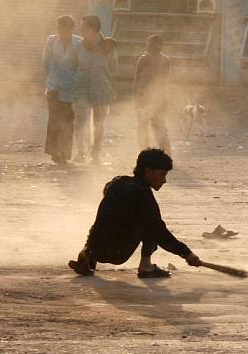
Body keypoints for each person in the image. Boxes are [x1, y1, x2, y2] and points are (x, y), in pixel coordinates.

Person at [68, 148, 202, 278]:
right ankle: (146, 266)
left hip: (94, 247)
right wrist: (186, 254)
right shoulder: (143, 195)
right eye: (162, 174)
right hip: (117, 253)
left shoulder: (117, 182)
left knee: (110, 216)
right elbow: (160, 233)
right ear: (148, 171)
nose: (164, 180)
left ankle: (87, 254)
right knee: (151, 223)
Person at [72, 15, 118, 164]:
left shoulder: (108, 47)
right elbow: (72, 67)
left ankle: (95, 154)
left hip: (102, 90)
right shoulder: (78, 46)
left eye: (83, 27)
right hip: (81, 90)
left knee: (99, 124)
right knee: (80, 121)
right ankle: (80, 152)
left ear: (93, 30)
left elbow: (114, 68)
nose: (81, 30)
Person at [42, 15, 82, 164]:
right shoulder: (51, 41)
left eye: (65, 29)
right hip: (54, 87)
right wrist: (54, 77)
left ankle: (65, 152)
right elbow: (46, 62)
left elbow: (81, 64)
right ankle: (54, 151)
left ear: (71, 29)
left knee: (68, 120)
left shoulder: (79, 43)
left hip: (71, 88)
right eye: (59, 28)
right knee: (54, 119)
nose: (62, 32)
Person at [133, 35, 172, 154]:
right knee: (148, 125)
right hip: (148, 97)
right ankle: (152, 152)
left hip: (155, 97)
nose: (149, 47)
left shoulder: (150, 59)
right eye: (150, 44)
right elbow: (138, 79)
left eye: (153, 44)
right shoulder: (146, 59)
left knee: (153, 125)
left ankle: (160, 152)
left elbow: (138, 80)